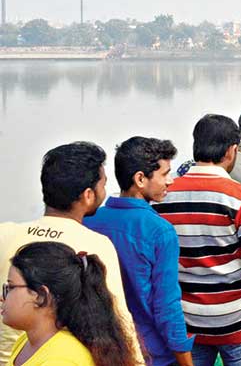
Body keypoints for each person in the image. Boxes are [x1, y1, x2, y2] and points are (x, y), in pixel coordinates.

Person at [0, 142, 142, 363]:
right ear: (88, 194)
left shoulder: (4, 234)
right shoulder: (95, 244)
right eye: (103, 185)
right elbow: (118, 317)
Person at [154, 114, 241, 365]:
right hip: (237, 320)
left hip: (188, 320)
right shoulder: (240, 196)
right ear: (232, 150)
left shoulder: (165, 196)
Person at [83, 137, 194, 366]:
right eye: (164, 174)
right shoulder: (160, 231)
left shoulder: (91, 220)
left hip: (104, 347)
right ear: (140, 179)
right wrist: (184, 358)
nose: (170, 181)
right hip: (152, 352)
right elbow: (166, 305)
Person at [2, 242, 137, 366]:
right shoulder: (28, 340)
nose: (3, 297)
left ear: (41, 296)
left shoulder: (61, 360)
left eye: (11, 287)